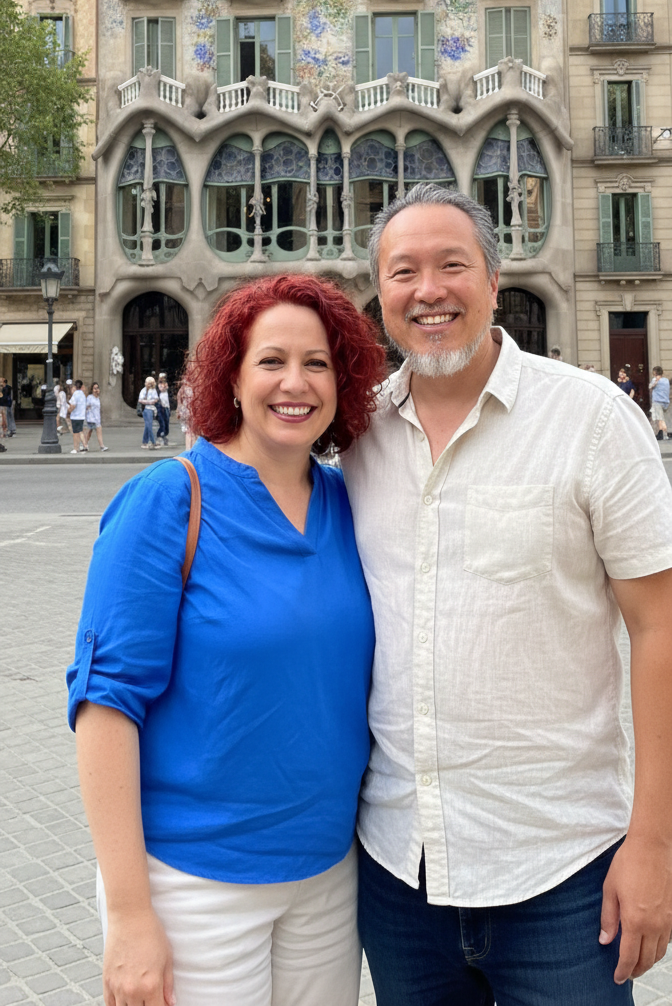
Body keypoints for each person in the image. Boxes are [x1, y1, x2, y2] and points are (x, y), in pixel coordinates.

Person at [341, 183, 672, 1004]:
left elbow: (659, 624)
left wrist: (655, 844)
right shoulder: (355, 439)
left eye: (452, 265)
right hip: (398, 872)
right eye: (403, 272)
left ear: (494, 281)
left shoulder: (592, 420)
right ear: (379, 296)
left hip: (561, 873)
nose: (428, 291)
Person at [68, 275, 385, 1006]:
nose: (295, 383)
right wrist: (129, 913)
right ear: (232, 379)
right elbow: (104, 706)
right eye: (271, 360)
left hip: (328, 879)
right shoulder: (170, 498)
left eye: (318, 363)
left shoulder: (348, 501)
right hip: (193, 886)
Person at [82, 384, 108, 452]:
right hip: (91, 418)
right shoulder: (90, 397)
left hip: (97, 418)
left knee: (93, 432)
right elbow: (86, 406)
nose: (96, 390)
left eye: (97, 388)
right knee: (93, 432)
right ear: (92, 390)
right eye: (95, 388)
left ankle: (86, 445)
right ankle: (87, 445)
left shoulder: (98, 398)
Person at [649, 366, 671, 442]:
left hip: (657, 401)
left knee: (660, 419)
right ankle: (660, 433)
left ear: (655, 373)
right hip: (665, 401)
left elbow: (650, 387)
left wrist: (655, 382)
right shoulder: (666, 380)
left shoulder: (655, 380)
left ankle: (664, 434)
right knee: (661, 418)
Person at [138, 375, 159, 449]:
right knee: (149, 425)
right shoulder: (143, 390)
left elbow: (156, 399)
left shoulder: (153, 390)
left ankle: (144, 442)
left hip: (152, 409)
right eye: (148, 383)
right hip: (146, 409)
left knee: (147, 426)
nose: (150, 384)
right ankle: (153, 442)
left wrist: (152, 401)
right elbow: (140, 400)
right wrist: (149, 402)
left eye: (151, 383)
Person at [68, 379, 87, 454]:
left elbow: (73, 405)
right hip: (81, 416)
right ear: (81, 386)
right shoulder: (83, 394)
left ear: (75, 386)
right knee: (80, 431)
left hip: (75, 416)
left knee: (75, 433)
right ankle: (85, 445)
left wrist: (69, 410)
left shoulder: (75, 394)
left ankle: (76, 448)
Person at [156, 373, 171, 446]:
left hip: (166, 406)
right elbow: (161, 389)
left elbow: (166, 389)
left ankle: (165, 434)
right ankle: (160, 435)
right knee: (162, 423)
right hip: (161, 406)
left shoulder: (166, 388)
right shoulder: (158, 386)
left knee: (167, 422)